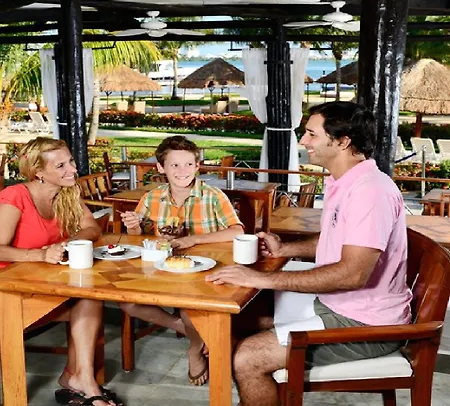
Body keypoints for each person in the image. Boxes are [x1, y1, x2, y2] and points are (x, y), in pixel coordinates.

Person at [206, 101, 412, 406]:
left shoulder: (370, 192)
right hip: (337, 306)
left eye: (312, 134)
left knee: (248, 357)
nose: (303, 141)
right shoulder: (346, 181)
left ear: (342, 141)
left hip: (368, 325)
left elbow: (352, 274)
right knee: (238, 320)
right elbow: (336, 239)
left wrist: (262, 278)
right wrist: (285, 249)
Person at [0, 137, 123, 406]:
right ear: (39, 173)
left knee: (90, 296)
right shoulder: (16, 196)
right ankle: (79, 380)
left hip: (42, 284)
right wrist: (39, 254)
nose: (73, 169)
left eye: (71, 161)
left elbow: (92, 228)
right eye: (61, 166)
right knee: (85, 298)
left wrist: (67, 243)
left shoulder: (67, 192)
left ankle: (81, 378)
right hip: (8, 292)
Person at [121, 135, 244, 386]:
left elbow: (237, 231)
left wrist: (193, 240)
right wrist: (133, 226)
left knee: (190, 307)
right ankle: (188, 330)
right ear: (161, 168)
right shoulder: (152, 198)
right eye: (174, 165)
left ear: (197, 166)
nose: (182, 171)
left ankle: (193, 349)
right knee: (128, 303)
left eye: (188, 164)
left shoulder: (212, 196)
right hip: (162, 271)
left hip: (204, 272)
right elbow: (139, 238)